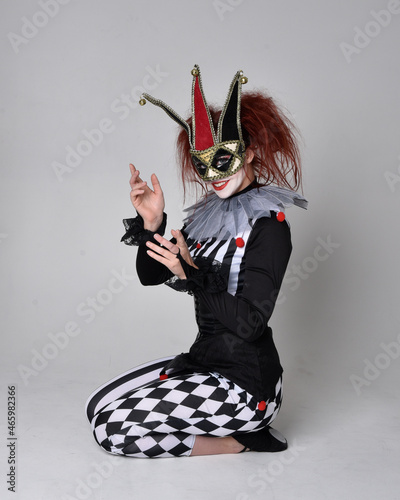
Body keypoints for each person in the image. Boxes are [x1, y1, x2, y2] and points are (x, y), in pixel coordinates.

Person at [85, 65, 307, 458]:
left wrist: (190, 273)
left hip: (246, 385)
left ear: (250, 152)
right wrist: (153, 223)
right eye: (203, 164)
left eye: (223, 160)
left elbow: (250, 323)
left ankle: (238, 441)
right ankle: (225, 431)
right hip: (206, 362)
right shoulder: (211, 215)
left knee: (111, 430)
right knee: (96, 406)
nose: (212, 175)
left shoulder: (269, 227)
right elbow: (151, 275)